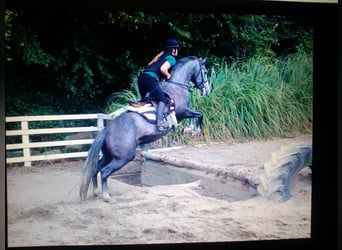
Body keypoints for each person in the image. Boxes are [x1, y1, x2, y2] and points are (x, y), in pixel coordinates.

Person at [137, 38, 180, 132]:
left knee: (146, 102)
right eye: (177, 48)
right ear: (173, 50)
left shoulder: (160, 57)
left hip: (141, 78)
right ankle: (159, 123)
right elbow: (163, 69)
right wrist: (168, 75)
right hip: (149, 79)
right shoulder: (171, 58)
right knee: (162, 99)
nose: (177, 50)